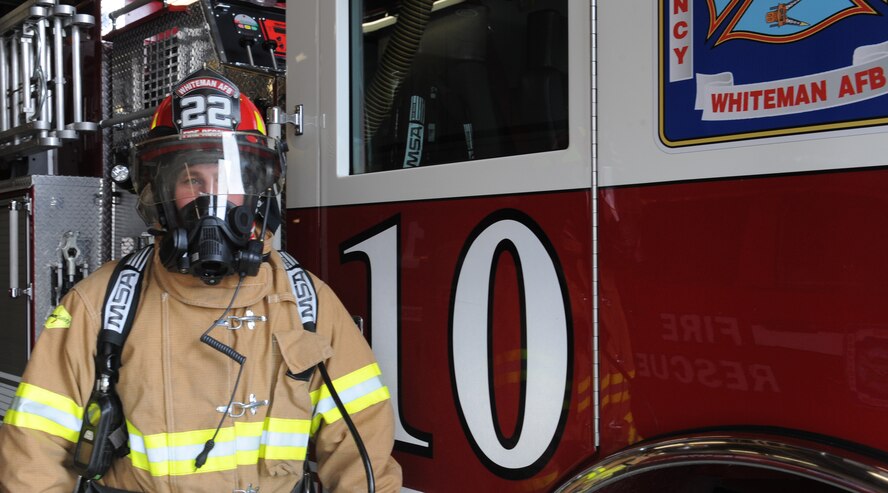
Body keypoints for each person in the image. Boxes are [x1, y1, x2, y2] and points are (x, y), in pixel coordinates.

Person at [0, 69, 402, 492]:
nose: (210, 203)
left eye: (227, 181)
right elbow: (34, 457)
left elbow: (363, 456)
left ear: (256, 193)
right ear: (161, 192)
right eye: (192, 180)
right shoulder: (99, 305)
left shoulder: (308, 305)